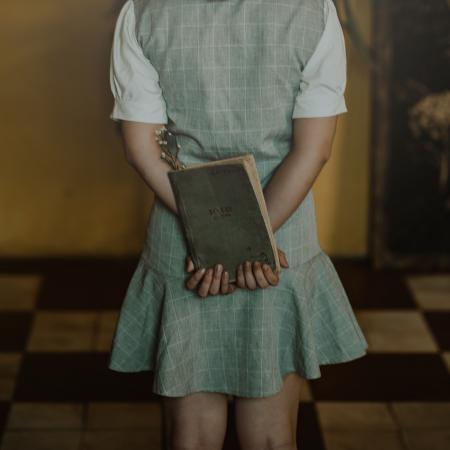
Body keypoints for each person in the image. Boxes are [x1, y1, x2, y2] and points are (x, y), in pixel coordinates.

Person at [108, 0, 369, 449]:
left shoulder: (144, 11)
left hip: (185, 238)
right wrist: (250, 241)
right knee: (271, 436)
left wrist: (217, 238)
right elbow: (314, 150)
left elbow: (142, 150)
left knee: (190, 438)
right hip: (279, 236)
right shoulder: (314, 12)